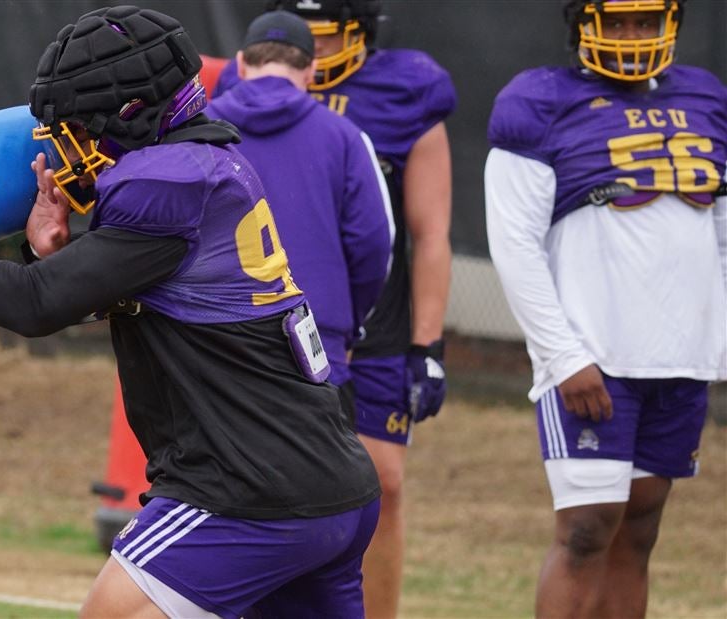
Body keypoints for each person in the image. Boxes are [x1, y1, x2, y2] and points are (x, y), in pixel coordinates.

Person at [0, 6, 381, 617]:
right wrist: (53, 254)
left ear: (131, 116)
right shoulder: (214, 162)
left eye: (82, 129)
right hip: (331, 484)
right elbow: (160, 292)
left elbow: (34, 307)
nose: (73, 148)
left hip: (247, 496)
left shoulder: (162, 183)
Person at [485, 1, 726, 617]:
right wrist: (563, 356)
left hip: (681, 358)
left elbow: (721, 234)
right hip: (595, 358)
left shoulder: (706, 97)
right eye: (616, 22)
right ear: (581, 24)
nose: (630, 36)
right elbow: (514, 246)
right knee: (587, 529)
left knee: (640, 530)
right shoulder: (540, 101)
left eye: (644, 22)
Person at [216, 2, 455, 616]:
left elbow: (427, 233)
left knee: (380, 485)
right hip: (273, 313)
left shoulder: (407, 90)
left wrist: (426, 344)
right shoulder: (237, 90)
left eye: (331, 35)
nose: (318, 47)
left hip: (364, 319)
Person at [206, 10, 394, 423]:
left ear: (240, 64)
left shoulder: (198, 129)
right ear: (311, 70)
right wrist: (345, 324)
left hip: (212, 346)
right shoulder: (344, 136)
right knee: (324, 485)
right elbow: (373, 243)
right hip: (315, 345)